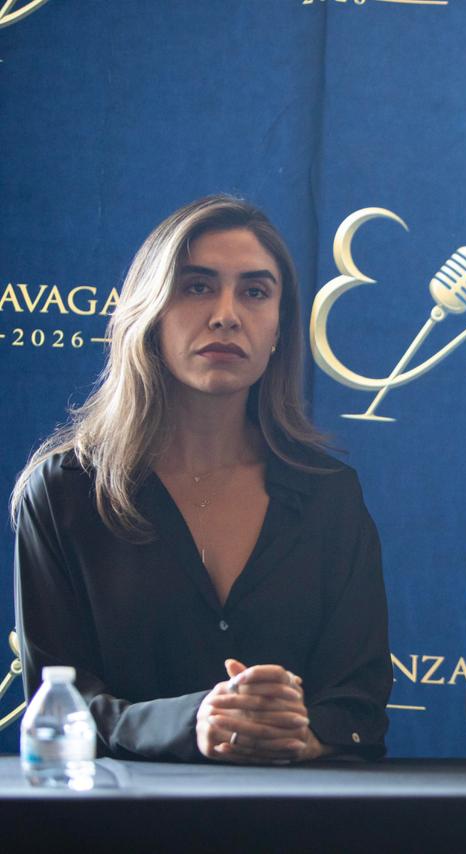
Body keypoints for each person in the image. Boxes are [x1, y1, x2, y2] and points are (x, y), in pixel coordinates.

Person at [12, 196, 392, 763]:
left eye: (255, 292)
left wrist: (302, 734)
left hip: (294, 809)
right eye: (197, 287)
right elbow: (60, 702)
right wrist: (193, 722)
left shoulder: (329, 494)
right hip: (119, 812)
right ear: (150, 312)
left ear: (280, 328)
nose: (226, 314)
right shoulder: (63, 492)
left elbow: (359, 704)